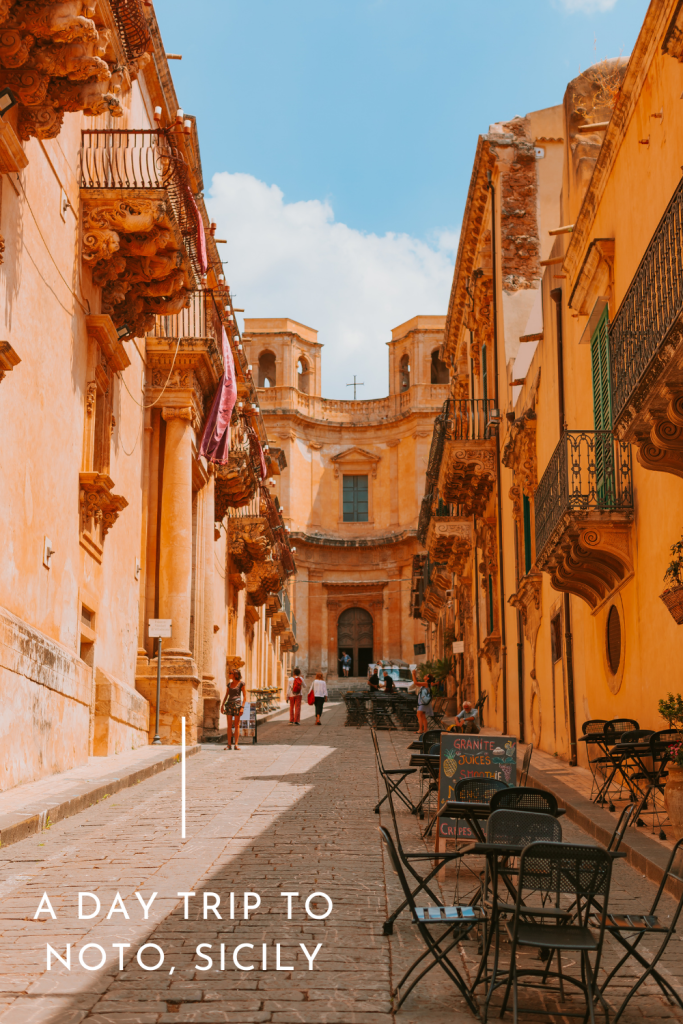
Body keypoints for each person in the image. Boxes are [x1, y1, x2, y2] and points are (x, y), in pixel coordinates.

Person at [221, 669, 246, 750]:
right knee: (229, 725)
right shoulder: (229, 684)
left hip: (237, 705)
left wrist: (242, 707)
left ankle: (236, 744)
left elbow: (245, 696)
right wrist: (222, 705)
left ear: (235, 675)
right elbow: (226, 695)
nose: (229, 674)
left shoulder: (241, 684)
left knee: (236, 725)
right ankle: (229, 745)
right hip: (229, 705)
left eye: (230, 673)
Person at [410, 669, 435, 737]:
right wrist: (414, 675)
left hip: (423, 703)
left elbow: (416, 683)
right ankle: (425, 730)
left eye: (426, 675)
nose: (424, 676)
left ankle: (420, 729)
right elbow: (417, 683)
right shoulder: (425, 684)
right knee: (423, 716)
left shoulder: (426, 683)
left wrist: (413, 674)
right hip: (423, 702)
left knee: (419, 715)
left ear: (428, 678)